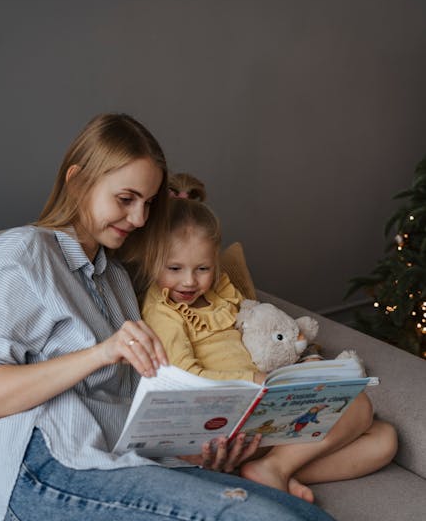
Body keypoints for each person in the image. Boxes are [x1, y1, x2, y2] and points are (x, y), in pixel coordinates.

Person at [0, 113, 349, 521]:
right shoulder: (20, 256)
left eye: (148, 203)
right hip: (49, 483)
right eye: (126, 199)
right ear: (77, 180)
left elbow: (130, 411)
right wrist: (102, 352)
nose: (140, 219)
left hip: (122, 465)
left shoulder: (116, 281)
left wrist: (199, 447)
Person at [142, 173, 398, 502]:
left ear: (214, 260)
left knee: (383, 437)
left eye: (202, 268)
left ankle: (276, 469)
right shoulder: (163, 310)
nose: (189, 282)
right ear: (152, 258)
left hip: (264, 411)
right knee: (360, 409)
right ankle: (272, 469)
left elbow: (258, 329)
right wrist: (254, 379)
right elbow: (184, 377)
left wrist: (304, 363)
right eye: (174, 268)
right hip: (227, 423)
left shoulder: (221, 290)